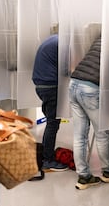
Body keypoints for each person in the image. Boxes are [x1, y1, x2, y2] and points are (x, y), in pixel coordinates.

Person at [69, 35, 109, 190]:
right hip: (90, 88)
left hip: (74, 84)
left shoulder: (100, 38)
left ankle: (84, 176)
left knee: (79, 136)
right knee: (102, 132)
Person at [32, 34, 68, 172]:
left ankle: (47, 154)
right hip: (50, 86)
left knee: (50, 122)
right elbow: (66, 69)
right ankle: (48, 160)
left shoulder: (53, 40)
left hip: (41, 85)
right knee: (53, 123)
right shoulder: (61, 44)